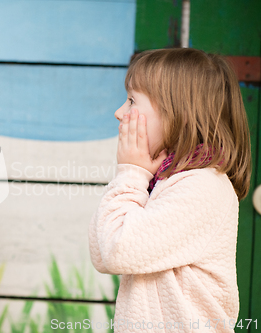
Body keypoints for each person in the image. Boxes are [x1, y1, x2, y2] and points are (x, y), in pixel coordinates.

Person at [89, 48, 250, 332]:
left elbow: (116, 248)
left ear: (177, 115)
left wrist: (130, 173)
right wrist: (137, 176)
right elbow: (102, 252)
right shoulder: (162, 181)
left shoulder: (202, 186)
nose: (118, 113)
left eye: (130, 101)